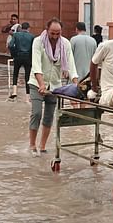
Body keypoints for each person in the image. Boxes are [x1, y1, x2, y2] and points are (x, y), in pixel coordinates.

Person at [28, 18, 78, 157]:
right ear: (47, 30)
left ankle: (42, 145)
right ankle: (32, 145)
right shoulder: (38, 42)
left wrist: (75, 86)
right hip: (36, 83)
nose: (55, 37)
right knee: (37, 113)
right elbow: (36, 64)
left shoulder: (65, 44)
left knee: (49, 116)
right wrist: (42, 84)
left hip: (55, 86)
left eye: (58, 34)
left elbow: (71, 65)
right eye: (52, 33)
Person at [8, 22, 35, 101]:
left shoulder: (16, 35)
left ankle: (14, 92)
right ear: (28, 28)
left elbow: (10, 45)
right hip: (28, 58)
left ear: (21, 28)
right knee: (27, 76)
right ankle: (27, 96)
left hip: (18, 56)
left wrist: (13, 54)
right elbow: (33, 48)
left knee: (15, 73)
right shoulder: (32, 36)